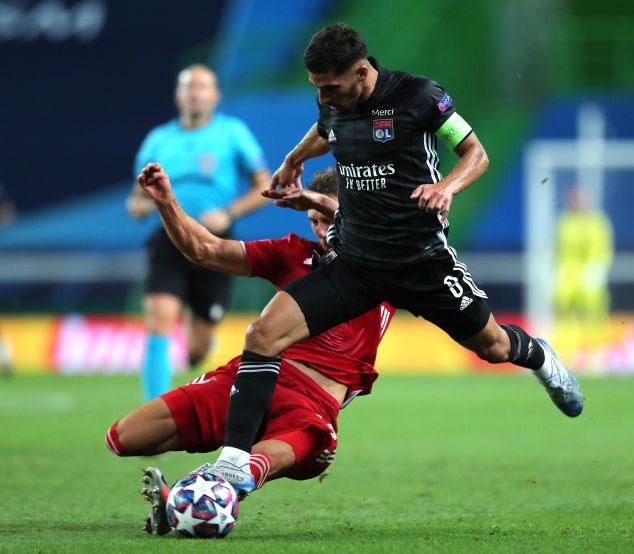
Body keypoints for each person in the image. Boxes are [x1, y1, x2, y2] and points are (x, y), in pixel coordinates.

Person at [184, 23, 584, 496]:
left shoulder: (420, 96)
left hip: (421, 261)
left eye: (332, 86)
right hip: (355, 262)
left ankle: (541, 358)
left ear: (361, 71)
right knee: (263, 335)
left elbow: (475, 152)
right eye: (318, 88)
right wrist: (294, 158)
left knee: (493, 347)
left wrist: (446, 187)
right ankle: (232, 464)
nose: (325, 96)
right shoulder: (332, 101)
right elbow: (325, 129)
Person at [107, 166, 394, 535]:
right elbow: (205, 249)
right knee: (123, 438)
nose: (322, 231)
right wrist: (167, 203)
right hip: (251, 379)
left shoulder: (387, 264)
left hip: (310, 406)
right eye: (313, 222)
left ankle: (205, 489)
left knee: (258, 463)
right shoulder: (293, 254)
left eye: (328, 218)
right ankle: (201, 492)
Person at [126, 64, 271, 402]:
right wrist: (138, 205)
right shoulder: (159, 139)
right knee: (159, 321)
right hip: (169, 239)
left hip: (215, 244)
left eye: (202, 87)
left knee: (198, 347)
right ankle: (153, 412)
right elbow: (136, 194)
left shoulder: (232, 133)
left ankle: (199, 341)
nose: (194, 92)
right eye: (188, 87)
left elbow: (262, 184)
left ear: (215, 95)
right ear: (178, 95)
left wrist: (228, 212)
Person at [554, 186, 614, 354]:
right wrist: (558, 270)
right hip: (568, 275)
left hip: (589, 274)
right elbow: (560, 249)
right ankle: (566, 352)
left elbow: (603, 248)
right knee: (564, 313)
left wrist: (599, 269)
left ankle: (596, 352)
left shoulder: (597, 222)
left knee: (594, 312)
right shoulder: (565, 222)